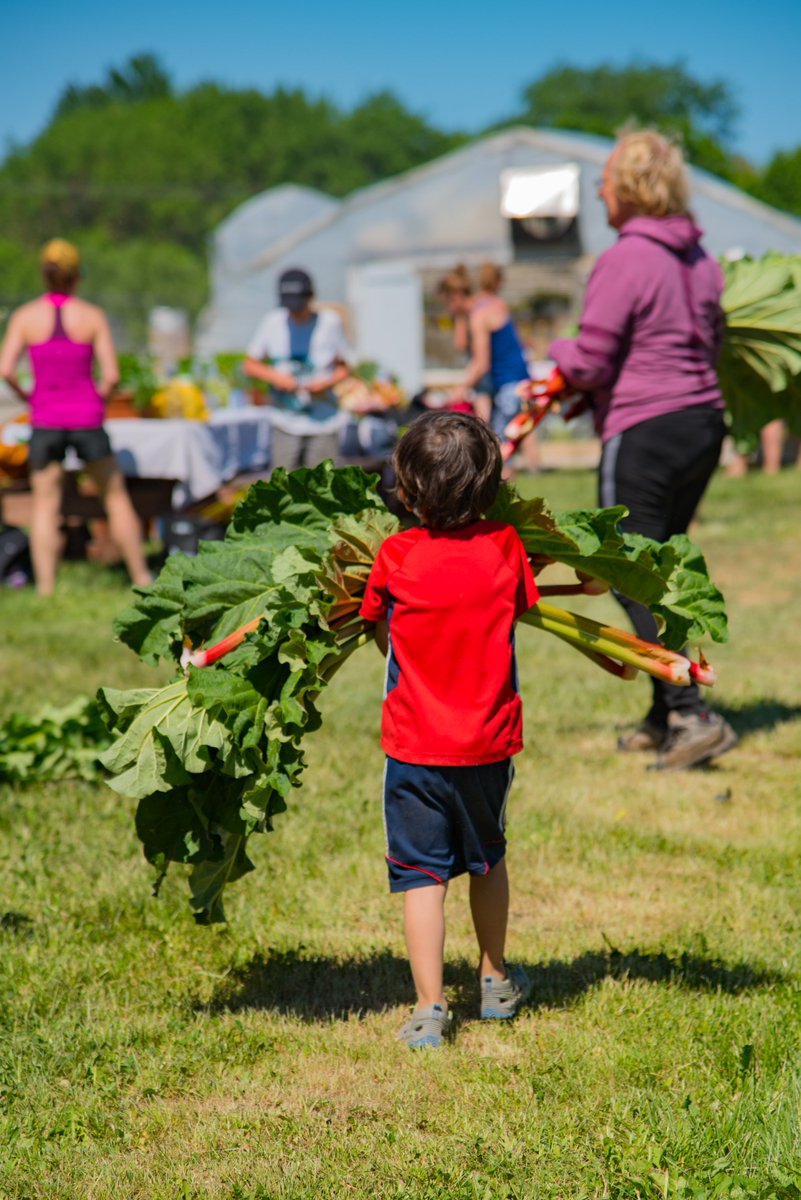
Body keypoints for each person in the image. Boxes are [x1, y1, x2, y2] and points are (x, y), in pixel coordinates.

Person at [549, 130, 737, 770]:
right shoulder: (700, 259)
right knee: (662, 576)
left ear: (628, 188)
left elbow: (594, 358)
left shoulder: (626, 259)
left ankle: (691, 715)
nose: (599, 189)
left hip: (646, 428)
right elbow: (707, 345)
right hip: (702, 425)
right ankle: (663, 718)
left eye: (605, 178)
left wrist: (555, 355)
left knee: (631, 576)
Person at [360, 412, 540, 1048]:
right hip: (489, 745)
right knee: (488, 859)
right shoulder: (507, 548)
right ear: (491, 487)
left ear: (405, 493)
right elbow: (519, 606)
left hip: (414, 749)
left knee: (421, 875)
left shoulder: (394, 555)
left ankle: (431, 1008)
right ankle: (493, 980)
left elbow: (382, 634)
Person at [0, 239, 152, 596]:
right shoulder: (92, 316)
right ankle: (142, 577)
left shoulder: (26, 317)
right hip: (87, 419)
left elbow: (5, 369)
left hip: (46, 420)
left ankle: (47, 589)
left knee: (45, 504)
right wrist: (96, 400)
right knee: (114, 497)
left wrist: (30, 398)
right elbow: (112, 375)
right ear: (76, 276)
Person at [243, 268, 350, 471]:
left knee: (323, 486)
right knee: (284, 487)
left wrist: (324, 384)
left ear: (311, 297)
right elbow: (250, 364)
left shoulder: (329, 322)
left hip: (323, 421)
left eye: (299, 307)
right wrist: (276, 377)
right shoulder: (272, 322)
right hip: (284, 421)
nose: (295, 312)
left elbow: (345, 367)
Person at [438, 264, 538, 469]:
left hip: (510, 384)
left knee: (499, 450)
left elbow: (481, 363)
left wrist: (461, 389)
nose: (448, 309)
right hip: (517, 380)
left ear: (455, 296)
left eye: (447, 303)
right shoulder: (484, 308)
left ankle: (505, 496)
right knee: (503, 446)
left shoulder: (478, 316)